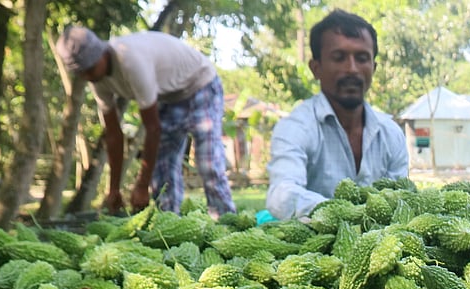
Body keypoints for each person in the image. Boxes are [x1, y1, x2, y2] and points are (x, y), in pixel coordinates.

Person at [57, 26, 236, 218]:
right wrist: (114, 189)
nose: (88, 77)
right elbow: (114, 135)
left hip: (201, 85)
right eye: (82, 73)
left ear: (100, 53)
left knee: (208, 161)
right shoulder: (97, 80)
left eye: (90, 69)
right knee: (162, 169)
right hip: (169, 97)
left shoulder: (130, 60)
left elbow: (153, 129)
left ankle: (226, 221)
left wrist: (142, 186)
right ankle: (169, 224)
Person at [265, 10, 408, 220]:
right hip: (310, 247)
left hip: (378, 246)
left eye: (362, 58)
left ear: (373, 67)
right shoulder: (295, 127)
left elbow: (401, 201)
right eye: (339, 58)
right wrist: (347, 215)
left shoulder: (391, 134)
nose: (352, 69)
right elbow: (282, 195)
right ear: (316, 68)